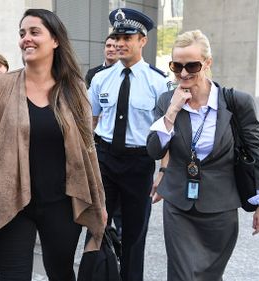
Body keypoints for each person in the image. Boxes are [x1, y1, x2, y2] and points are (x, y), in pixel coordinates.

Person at [0, 8, 107, 281]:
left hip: (62, 204)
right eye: (22, 34)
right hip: (10, 203)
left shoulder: (75, 88)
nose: (26, 39)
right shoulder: (0, 86)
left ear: (55, 40)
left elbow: (88, 147)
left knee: (61, 273)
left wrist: (99, 200)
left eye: (34, 32)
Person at [147, 29, 259, 281]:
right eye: (177, 66)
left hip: (220, 208)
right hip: (178, 205)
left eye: (192, 65)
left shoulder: (235, 102)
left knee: (209, 276)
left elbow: (257, 149)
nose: (184, 73)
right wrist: (172, 112)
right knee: (181, 275)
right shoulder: (167, 100)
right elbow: (154, 150)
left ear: (207, 63)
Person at [88, 8, 170, 281]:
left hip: (139, 163)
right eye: (117, 36)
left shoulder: (158, 82)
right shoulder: (101, 79)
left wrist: (163, 171)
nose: (121, 43)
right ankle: (98, 275)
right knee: (96, 226)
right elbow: (92, 122)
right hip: (105, 160)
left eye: (128, 37)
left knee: (135, 234)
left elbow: (167, 132)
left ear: (142, 40)